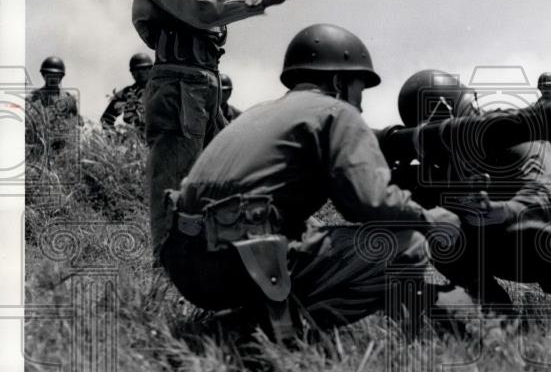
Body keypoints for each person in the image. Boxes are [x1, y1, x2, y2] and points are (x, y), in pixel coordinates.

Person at [159, 25, 463, 340]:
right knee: (408, 246)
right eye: (360, 91)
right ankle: (267, 335)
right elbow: (368, 201)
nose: (359, 105)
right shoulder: (336, 112)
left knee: (311, 228)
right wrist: (429, 220)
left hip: (185, 260)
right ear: (338, 82)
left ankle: (233, 327)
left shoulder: (259, 113)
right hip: (238, 261)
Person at [133, 0, 301, 258]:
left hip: (196, 85)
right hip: (182, 86)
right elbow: (201, 8)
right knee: (174, 186)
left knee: (228, 180)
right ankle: (166, 276)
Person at [397, 70, 551, 311]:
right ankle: (496, 307)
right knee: (438, 228)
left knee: (529, 223)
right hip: (507, 240)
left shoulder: (510, 130)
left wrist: (499, 210)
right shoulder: (447, 159)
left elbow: (542, 198)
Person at [26, 56, 80, 155]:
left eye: (56, 75)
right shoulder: (32, 99)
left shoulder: (69, 100)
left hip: (63, 151)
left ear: (61, 77)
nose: (53, 78)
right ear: (43, 75)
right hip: (38, 149)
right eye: (50, 75)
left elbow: (77, 124)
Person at [101, 53, 152, 131]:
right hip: (136, 137)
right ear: (132, 72)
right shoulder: (125, 93)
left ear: (151, 69)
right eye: (136, 70)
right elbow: (106, 119)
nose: (140, 72)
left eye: (144, 69)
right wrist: (114, 138)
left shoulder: (161, 90)